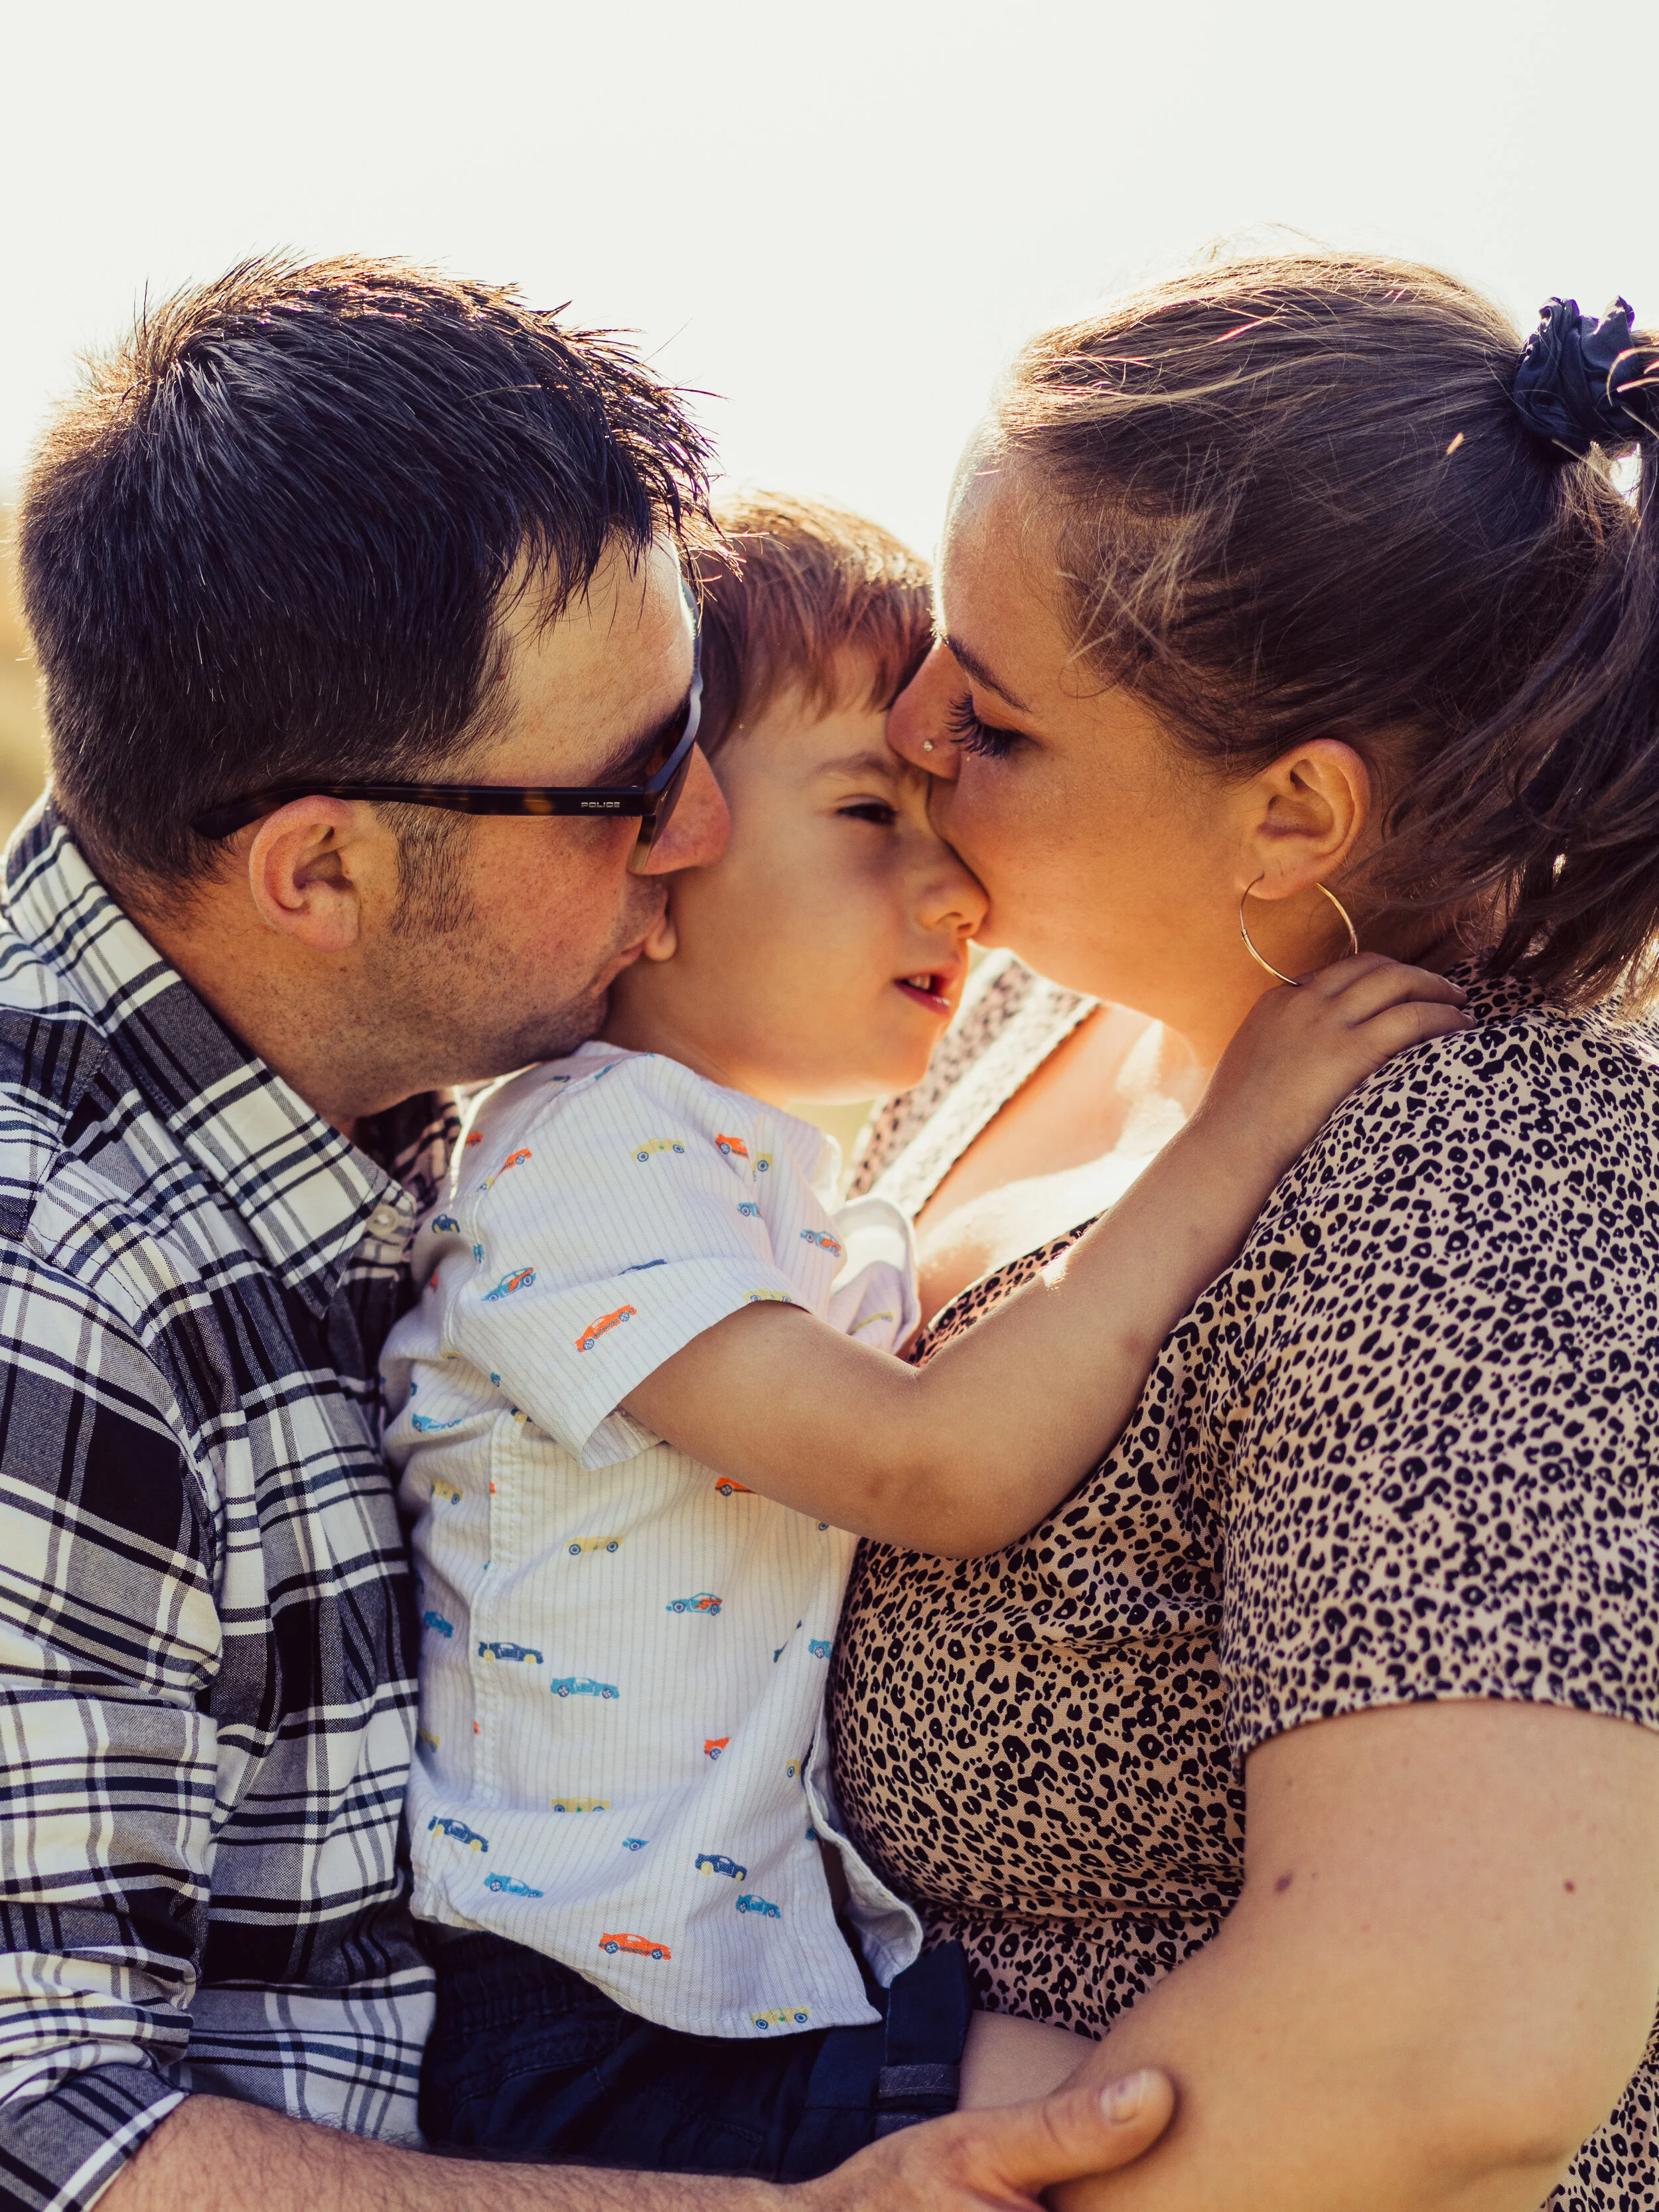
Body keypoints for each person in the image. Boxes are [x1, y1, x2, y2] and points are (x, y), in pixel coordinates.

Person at [0, 254, 1174, 2212]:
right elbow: (47, 2137)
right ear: (321, 869)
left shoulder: (419, 1091)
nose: (699, 833)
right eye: (631, 785)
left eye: (694, 733)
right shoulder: (53, 1288)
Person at [386, 492, 1464, 2176]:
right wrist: (1230, 1135)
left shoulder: (754, 1177)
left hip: (733, 1985)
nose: (953, 886)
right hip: (591, 2018)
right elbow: (931, 1465)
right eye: (866, 812)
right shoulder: (576, 1162)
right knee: (1192, 2139)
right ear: (655, 849)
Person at [826, 258, 1659, 2210]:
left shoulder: (1483, 1182)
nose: (910, 720)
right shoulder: (1027, 1005)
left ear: (1290, 815)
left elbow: (1439, 2059)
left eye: (994, 716)